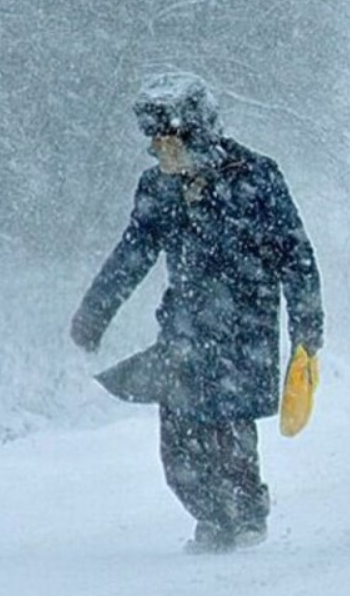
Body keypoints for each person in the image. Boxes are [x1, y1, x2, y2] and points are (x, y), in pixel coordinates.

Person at [70, 72, 323, 553]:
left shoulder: (257, 178)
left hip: (244, 331)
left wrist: (307, 332)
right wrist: (95, 311)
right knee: (179, 449)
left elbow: (297, 257)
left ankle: (246, 516)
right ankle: (212, 519)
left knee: (227, 432)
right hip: (183, 331)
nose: (161, 152)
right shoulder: (157, 189)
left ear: (199, 133)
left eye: (170, 140)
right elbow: (133, 253)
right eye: (155, 143)